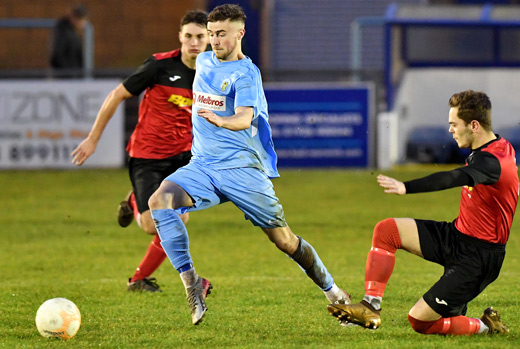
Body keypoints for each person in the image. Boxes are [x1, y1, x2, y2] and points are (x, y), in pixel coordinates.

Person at [148, 4, 349, 326]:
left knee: (284, 241)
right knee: (159, 200)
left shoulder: (246, 74)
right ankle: (192, 285)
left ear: (240, 33)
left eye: (221, 34)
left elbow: (244, 118)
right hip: (203, 166)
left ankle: (335, 292)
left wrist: (221, 120)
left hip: (244, 170)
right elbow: (175, 66)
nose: (213, 41)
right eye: (211, 34)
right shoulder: (202, 60)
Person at [328, 90, 518, 335]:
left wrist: (406, 187)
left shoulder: (492, 160)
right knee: (387, 231)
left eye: (453, 124)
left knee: (420, 321)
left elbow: (451, 177)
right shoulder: (499, 147)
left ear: (474, 125)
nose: (450, 130)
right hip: (456, 235)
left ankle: (486, 326)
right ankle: (370, 306)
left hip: (478, 258)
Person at [71, 10, 211, 295]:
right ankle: (136, 197)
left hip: (183, 157)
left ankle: (138, 280)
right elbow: (116, 96)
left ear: (209, 39)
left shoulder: (213, 73)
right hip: (148, 155)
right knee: (152, 225)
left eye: (200, 36)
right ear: (180, 38)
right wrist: (92, 139)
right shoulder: (158, 67)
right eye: (189, 36)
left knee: (177, 220)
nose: (194, 42)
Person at [50, 4, 89, 74]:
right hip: (66, 77)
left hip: (70, 74)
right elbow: (57, 55)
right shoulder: (63, 31)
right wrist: (69, 73)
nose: (83, 24)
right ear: (75, 18)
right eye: (82, 20)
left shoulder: (71, 31)